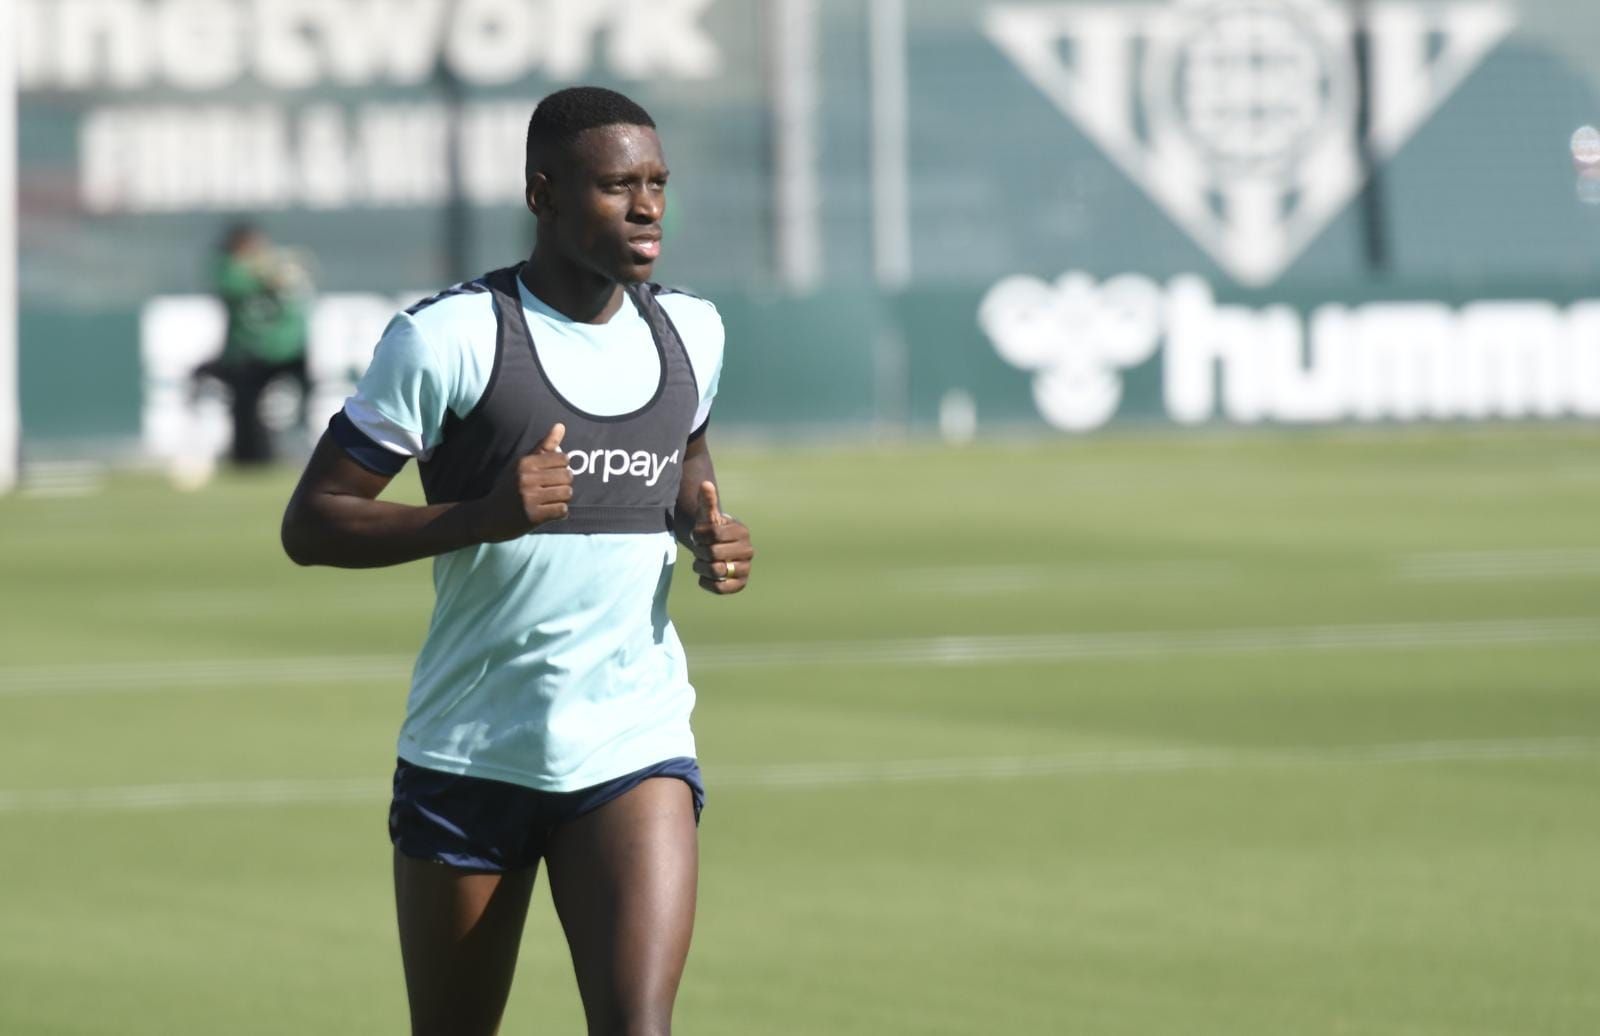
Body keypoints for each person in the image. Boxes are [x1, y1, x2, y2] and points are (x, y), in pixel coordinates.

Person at [279, 86, 755, 1036]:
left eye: (659, 184)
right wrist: (482, 517)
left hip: (633, 744)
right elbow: (313, 522)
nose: (648, 207)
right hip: (471, 751)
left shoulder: (692, 332)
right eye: (617, 186)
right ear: (543, 194)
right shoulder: (449, 337)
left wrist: (706, 531)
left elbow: (685, 467)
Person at [197, 221, 313, 465]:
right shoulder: (230, 268)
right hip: (246, 354)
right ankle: (249, 456)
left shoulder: (275, 263)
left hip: (285, 350)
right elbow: (235, 282)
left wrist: (275, 270)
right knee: (245, 408)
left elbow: (293, 277)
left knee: (303, 397)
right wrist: (264, 271)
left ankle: (303, 443)